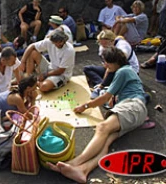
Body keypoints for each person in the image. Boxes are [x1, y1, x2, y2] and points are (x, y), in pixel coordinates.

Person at [47, 47, 147, 183]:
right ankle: (83, 170)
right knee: (106, 139)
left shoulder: (123, 71)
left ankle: (74, 163)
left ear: (115, 62)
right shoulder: (125, 71)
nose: (104, 65)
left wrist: (85, 106)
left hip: (134, 106)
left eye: (106, 62)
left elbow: (105, 97)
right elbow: (112, 96)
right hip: (136, 112)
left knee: (102, 128)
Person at [84, 30, 139, 97]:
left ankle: (103, 87)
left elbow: (114, 67)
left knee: (112, 71)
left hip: (127, 71)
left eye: (106, 45)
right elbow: (106, 66)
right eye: (102, 44)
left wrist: (102, 84)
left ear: (112, 41)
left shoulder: (122, 46)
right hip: (112, 69)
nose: (104, 47)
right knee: (87, 69)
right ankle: (102, 85)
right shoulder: (102, 47)